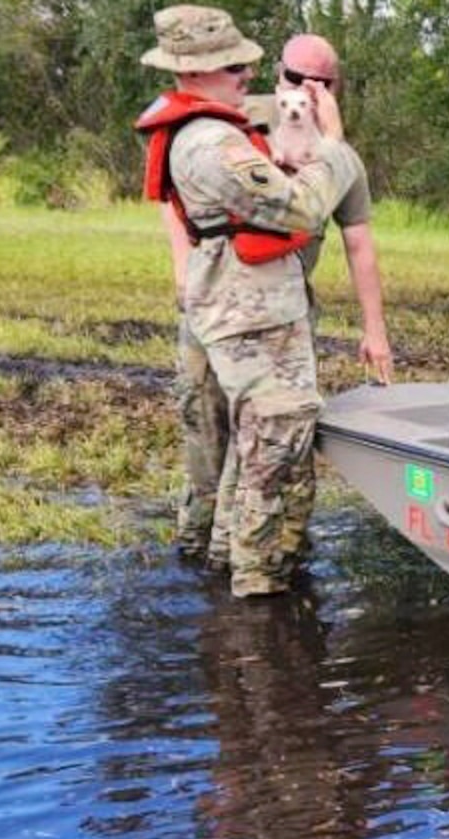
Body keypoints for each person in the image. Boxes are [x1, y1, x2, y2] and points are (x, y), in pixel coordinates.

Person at [137, 4, 362, 595]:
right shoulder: (216, 143)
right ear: (197, 72)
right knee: (276, 452)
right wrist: (336, 145)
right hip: (252, 314)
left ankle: (211, 567)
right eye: (234, 64)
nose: (245, 74)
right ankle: (256, 599)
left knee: (230, 449)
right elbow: (299, 207)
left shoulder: (201, 129)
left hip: (224, 305)